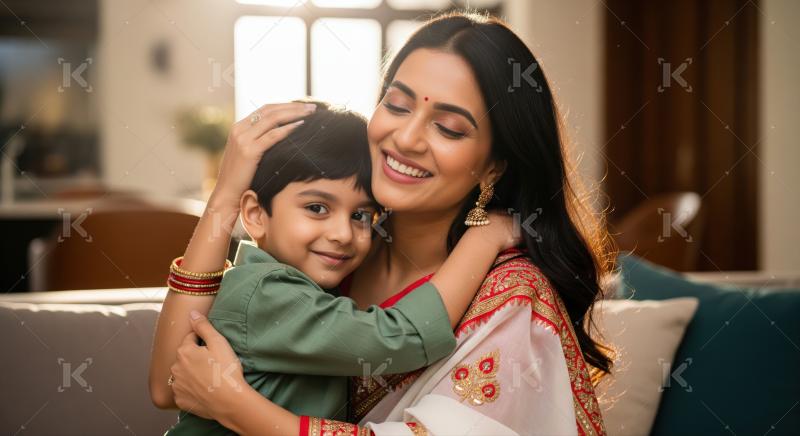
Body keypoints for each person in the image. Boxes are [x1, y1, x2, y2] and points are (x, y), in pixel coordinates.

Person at [165, 11, 615, 436]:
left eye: (449, 129)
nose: (405, 138)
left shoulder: (512, 299)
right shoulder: (340, 251)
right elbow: (170, 382)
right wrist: (224, 196)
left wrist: (240, 410)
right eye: (397, 106)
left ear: (494, 167)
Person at [153, 102, 520, 435]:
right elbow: (400, 337)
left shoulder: (306, 285)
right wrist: (485, 239)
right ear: (254, 214)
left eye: (361, 215)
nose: (343, 234)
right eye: (316, 208)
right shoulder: (269, 292)